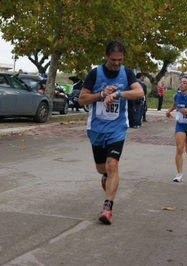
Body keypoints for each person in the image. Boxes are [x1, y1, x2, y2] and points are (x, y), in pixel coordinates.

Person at [78, 39, 144, 225]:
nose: (116, 63)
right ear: (106, 56)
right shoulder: (95, 73)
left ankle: (107, 208)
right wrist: (101, 94)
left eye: (120, 60)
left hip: (117, 128)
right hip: (97, 128)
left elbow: (139, 93)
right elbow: (81, 100)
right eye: (113, 59)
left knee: (112, 164)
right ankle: (106, 176)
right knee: (102, 168)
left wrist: (118, 94)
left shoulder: (127, 74)